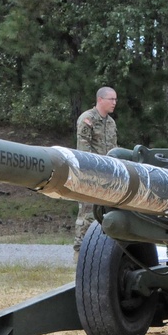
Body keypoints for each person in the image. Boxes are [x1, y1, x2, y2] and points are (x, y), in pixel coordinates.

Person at [73, 86, 118, 259]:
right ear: (100, 100)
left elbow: (113, 150)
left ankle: (100, 258)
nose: (114, 103)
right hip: (90, 176)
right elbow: (84, 152)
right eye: (111, 99)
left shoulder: (111, 123)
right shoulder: (87, 119)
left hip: (108, 178)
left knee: (105, 216)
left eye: (115, 100)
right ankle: (80, 258)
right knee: (87, 218)